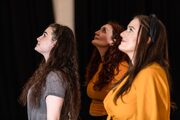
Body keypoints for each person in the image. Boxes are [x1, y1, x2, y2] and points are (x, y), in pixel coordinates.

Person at [104, 14, 172, 120]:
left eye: (131, 30)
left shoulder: (150, 73)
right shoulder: (132, 74)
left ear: (147, 39)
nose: (122, 34)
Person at [19, 23, 80, 120]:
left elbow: (54, 118)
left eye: (44, 35)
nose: (38, 38)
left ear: (55, 43)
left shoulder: (55, 77)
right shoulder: (48, 74)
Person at [86, 22, 129, 120]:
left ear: (114, 40)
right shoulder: (100, 65)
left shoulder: (122, 68)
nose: (96, 32)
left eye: (104, 30)